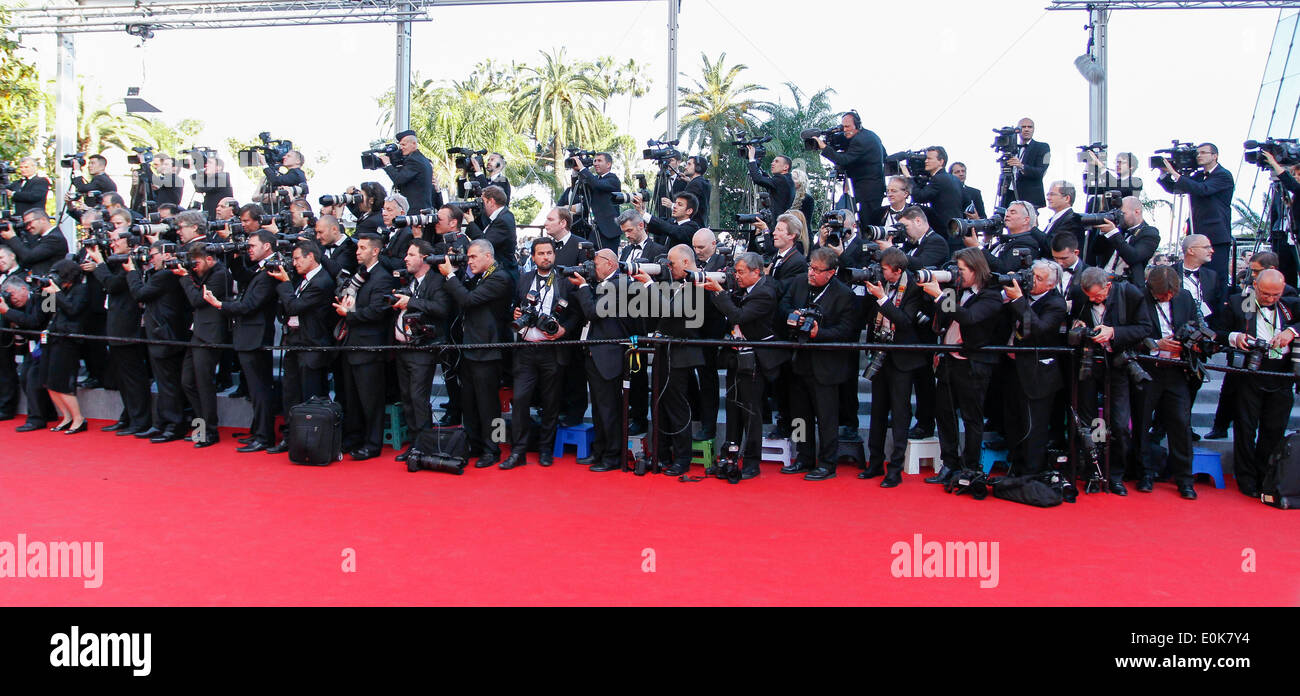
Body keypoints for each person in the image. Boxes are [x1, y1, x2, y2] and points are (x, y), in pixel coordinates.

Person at [919, 248, 1006, 483]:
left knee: (971, 418)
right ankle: (949, 464)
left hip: (973, 365)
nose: (958, 274)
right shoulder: (956, 291)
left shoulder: (992, 296)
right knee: (944, 415)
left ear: (976, 270)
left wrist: (940, 296)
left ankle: (970, 467)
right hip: (949, 361)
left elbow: (968, 317)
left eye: (962, 270)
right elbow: (945, 319)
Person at [700, 251, 787, 480]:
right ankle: (729, 456)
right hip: (735, 357)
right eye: (735, 272)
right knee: (732, 407)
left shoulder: (765, 293)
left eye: (740, 272)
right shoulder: (743, 289)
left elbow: (738, 316)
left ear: (756, 272)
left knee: (751, 411)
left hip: (756, 360)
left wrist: (720, 293)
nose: (736, 277)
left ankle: (751, 461)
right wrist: (719, 290)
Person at [1214, 269, 1300, 497]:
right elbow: (1217, 332)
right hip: (1249, 374)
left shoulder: (1290, 304)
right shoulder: (1242, 302)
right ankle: (1246, 478)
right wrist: (1236, 337)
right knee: (1245, 428)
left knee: (1274, 429)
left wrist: (1291, 332)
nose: (1270, 299)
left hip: (1281, 375)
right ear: (1255, 286)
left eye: (1275, 294)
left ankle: (1267, 475)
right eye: (1265, 294)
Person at [776, 247, 859, 481]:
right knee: (800, 416)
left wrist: (818, 333)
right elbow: (783, 305)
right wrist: (792, 315)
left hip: (827, 365)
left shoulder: (844, 295)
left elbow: (847, 330)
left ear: (831, 272)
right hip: (799, 360)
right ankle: (803, 457)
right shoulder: (799, 283)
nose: (811, 273)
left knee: (826, 417)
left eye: (817, 270)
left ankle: (827, 462)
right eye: (810, 267)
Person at [1069, 267, 1153, 494]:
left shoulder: (1130, 294)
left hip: (1119, 364)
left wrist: (1114, 332)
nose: (1093, 300)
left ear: (1108, 285)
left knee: (1119, 423)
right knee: (1086, 421)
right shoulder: (1079, 296)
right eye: (1089, 296)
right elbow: (1073, 320)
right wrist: (1077, 327)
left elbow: (1146, 328)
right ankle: (1091, 473)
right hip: (1087, 363)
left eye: (1097, 296)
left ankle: (1115, 475)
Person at [503, 237, 581, 469]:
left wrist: (564, 330)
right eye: (541, 253)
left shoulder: (566, 280)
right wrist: (515, 314)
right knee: (520, 399)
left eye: (549, 253)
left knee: (551, 402)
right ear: (533, 256)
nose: (546, 257)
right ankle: (518, 451)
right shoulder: (524, 279)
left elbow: (577, 312)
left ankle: (546, 449)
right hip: (526, 349)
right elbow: (512, 307)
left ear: (554, 255)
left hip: (552, 350)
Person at [630, 245, 706, 476]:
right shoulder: (674, 283)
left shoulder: (699, 282)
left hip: (682, 355)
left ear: (685, 262)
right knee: (660, 405)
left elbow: (674, 312)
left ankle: (682, 458)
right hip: (665, 351)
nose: (668, 268)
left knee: (677, 408)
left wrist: (650, 285)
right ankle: (662, 454)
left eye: (671, 264)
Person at [205, 230, 280, 453]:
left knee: (260, 390)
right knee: (256, 390)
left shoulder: (270, 271)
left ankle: (264, 437)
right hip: (249, 336)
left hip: (255, 337)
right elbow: (243, 277)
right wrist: (236, 258)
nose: (249, 249)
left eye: (252, 246)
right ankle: (258, 431)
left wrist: (220, 305)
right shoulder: (260, 269)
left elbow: (250, 305)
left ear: (267, 246)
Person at [440, 239, 513, 468]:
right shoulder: (481, 276)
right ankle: (473, 444)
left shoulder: (500, 278)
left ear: (488, 257)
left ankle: (494, 449)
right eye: (468, 257)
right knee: (469, 402)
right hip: (470, 348)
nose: (469, 261)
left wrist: (450, 276)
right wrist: (457, 272)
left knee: (489, 404)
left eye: (473, 257)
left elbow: (468, 300)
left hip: (489, 350)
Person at [860, 248, 930, 487]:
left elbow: (904, 321)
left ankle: (895, 469)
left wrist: (882, 298)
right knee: (878, 411)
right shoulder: (880, 283)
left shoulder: (913, 287)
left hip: (903, 357)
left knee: (899, 413)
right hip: (880, 352)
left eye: (885, 270)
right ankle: (875, 462)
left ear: (898, 271)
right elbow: (870, 316)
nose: (881, 272)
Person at [1133, 265, 1201, 500]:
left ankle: (1184, 479)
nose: (1168, 298)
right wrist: (1155, 344)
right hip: (1147, 369)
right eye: (1163, 295)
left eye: (1171, 295)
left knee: (1181, 424)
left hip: (1176, 370)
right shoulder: (1137, 296)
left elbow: (1195, 325)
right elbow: (1130, 332)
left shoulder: (1185, 298)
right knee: (1142, 423)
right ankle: (1145, 473)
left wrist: (1187, 343)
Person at [568, 248, 635, 472]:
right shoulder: (604, 284)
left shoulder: (619, 284)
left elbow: (593, 312)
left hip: (609, 354)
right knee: (598, 408)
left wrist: (584, 287)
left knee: (609, 408)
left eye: (596, 263)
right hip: (595, 352)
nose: (592, 268)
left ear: (610, 264)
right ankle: (600, 451)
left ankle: (612, 456)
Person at [332, 233, 398, 459]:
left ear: (375, 251)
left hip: (370, 347)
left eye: (362, 248)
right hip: (351, 346)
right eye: (357, 247)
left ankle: (372, 443)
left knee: (371, 400)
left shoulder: (383, 277)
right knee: (351, 398)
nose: (357, 252)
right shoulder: (360, 275)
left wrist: (349, 314)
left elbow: (378, 311)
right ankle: (353, 438)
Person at [267, 240, 337, 454]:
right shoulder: (302, 280)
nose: (294, 263)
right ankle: (291, 438)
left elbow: (295, 305)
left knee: (310, 395)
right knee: (291, 394)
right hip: (295, 343)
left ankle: (312, 440)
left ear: (311, 257)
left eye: (298, 258)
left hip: (312, 346)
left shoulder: (322, 281)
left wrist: (284, 283)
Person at [1001, 259, 1068, 476]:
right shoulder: (1021, 292)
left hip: (1038, 373)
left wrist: (1019, 300)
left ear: (1051, 284)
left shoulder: (1056, 303)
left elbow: (1039, 329)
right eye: (1032, 275)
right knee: (1012, 421)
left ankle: (1031, 472)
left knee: (1034, 426)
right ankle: (1016, 465)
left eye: (1038, 278)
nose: (1032, 281)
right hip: (1012, 367)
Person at [85, 231, 152, 435]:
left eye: (116, 240)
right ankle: (129, 416)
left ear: (130, 244)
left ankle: (140, 421)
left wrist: (99, 263)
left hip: (128, 329)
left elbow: (112, 285)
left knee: (133, 378)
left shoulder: (132, 264)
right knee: (123, 378)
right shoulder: (119, 262)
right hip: (116, 327)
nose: (112, 244)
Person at [391, 239, 450, 462]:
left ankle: (423, 445)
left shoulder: (436, 281)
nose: (405, 258)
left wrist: (412, 302)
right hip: (402, 347)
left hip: (423, 348)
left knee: (418, 397)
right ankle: (414, 442)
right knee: (407, 397)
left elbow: (441, 308)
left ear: (424, 259)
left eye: (411, 254)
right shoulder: (409, 280)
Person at [126, 240, 192, 443]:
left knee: (168, 382)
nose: (149, 258)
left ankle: (174, 425)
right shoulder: (162, 273)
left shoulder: (165, 274)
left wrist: (131, 270)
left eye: (152, 254)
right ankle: (163, 423)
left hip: (166, 335)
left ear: (165, 255)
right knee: (164, 382)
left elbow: (140, 293)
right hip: (164, 333)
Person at [1157, 142, 1234, 293]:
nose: (1199, 156)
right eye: (1197, 153)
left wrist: (1175, 174)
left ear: (1215, 156)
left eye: (1203, 152)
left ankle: (1216, 313)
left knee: (1216, 279)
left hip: (1216, 236)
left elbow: (1203, 189)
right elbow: (1176, 188)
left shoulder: (1223, 175)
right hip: (1196, 231)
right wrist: (1164, 173)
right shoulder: (1198, 176)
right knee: (1197, 277)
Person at [175, 240, 229, 448]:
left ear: (209, 259)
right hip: (197, 333)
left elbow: (198, 300)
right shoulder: (205, 272)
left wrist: (184, 279)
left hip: (210, 335)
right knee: (187, 381)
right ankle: (201, 428)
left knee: (203, 384)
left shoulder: (220, 274)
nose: (193, 266)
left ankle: (209, 431)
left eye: (195, 262)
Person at [38, 259, 90, 435]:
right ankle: (66, 417)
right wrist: (47, 294)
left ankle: (78, 418)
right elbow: (47, 311)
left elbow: (73, 310)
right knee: (49, 381)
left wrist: (57, 293)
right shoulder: (59, 291)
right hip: (53, 337)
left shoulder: (81, 290)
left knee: (61, 382)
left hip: (68, 340)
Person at [815, 111, 886, 227]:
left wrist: (824, 148)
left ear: (857, 125)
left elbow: (843, 160)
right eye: (843, 127)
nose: (844, 130)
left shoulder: (860, 140)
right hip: (874, 188)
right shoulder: (871, 135)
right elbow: (885, 155)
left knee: (868, 225)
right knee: (869, 224)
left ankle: (868, 245)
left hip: (868, 191)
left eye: (847, 126)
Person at [1093, 195, 1160, 289]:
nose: (1120, 217)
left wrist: (1113, 233)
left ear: (1137, 212)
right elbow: (1096, 251)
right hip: (1102, 282)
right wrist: (1103, 232)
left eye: (1123, 213)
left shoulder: (1150, 233)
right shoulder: (1118, 228)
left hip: (1127, 288)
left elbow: (1133, 256)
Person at [902, 146, 964, 241]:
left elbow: (919, 197)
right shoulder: (955, 179)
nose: (926, 161)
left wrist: (908, 178)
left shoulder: (937, 179)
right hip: (957, 230)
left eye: (929, 158)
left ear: (941, 161)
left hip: (943, 232)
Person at [570, 152, 622, 250]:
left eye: (599, 161)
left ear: (608, 164)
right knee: (590, 257)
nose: (595, 163)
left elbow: (597, 184)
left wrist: (582, 169)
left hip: (609, 231)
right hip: (595, 229)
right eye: (594, 161)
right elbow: (577, 191)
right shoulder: (593, 180)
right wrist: (575, 172)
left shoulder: (613, 179)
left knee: (607, 261)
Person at [465, 185, 518, 280]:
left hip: (504, 274)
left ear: (491, 202)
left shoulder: (503, 220)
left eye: (483, 202)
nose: (481, 205)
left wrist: (471, 223)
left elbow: (485, 244)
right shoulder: (501, 216)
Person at [381, 130, 436, 212]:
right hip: (422, 210)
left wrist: (388, 164)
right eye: (400, 145)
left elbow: (398, 179)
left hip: (414, 211)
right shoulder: (422, 159)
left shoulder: (414, 161)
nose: (401, 148)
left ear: (414, 144)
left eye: (404, 144)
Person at [2, 208, 68, 276]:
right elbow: (23, 254)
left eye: (29, 223)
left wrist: (12, 238)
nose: (27, 227)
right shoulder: (40, 237)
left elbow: (28, 257)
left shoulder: (54, 238)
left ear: (43, 220)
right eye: (25, 225)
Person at [1002, 117, 1050, 208]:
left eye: (1030, 127)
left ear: (1033, 129)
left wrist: (1021, 166)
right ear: (1017, 130)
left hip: (1029, 197)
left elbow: (1040, 172)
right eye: (1023, 127)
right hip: (1009, 195)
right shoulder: (1011, 148)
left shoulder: (1042, 147)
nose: (1026, 129)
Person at [747, 148, 795, 223]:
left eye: (776, 162)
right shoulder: (788, 179)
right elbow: (768, 180)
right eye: (773, 161)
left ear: (786, 167)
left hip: (775, 224)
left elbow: (758, 179)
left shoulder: (781, 179)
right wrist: (757, 166)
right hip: (781, 222)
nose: (772, 163)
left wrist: (751, 159)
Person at [1040, 180, 1085, 252]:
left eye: (1052, 194)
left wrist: (1032, 228)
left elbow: (1054, 246)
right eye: (1048, 194)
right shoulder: (1055, 218)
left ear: (1067, 198)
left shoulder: (1072, 220)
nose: (1048, 198)